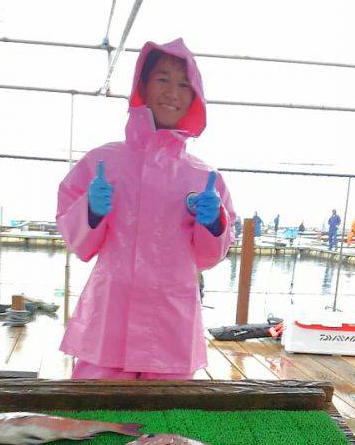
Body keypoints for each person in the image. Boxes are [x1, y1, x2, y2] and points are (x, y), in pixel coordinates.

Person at [57, 38, 235, 380]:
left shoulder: (204, 176)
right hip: (109, 318)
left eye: (185, 84)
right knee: (95, 413)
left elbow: (209, 257)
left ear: (195, 97)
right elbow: (79, 244)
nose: (173, 92)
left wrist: (214, 225)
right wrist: (90, 212)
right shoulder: (102, 162)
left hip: (171, 322)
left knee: (169, 423)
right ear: (143, 85)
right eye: (163, 79)